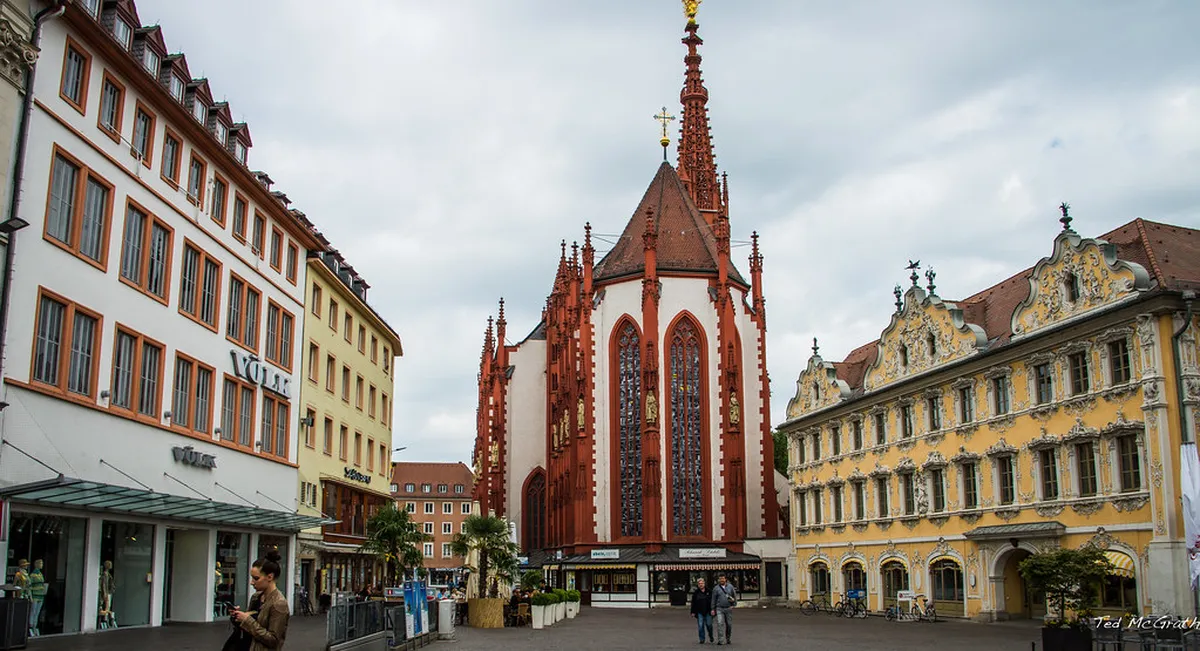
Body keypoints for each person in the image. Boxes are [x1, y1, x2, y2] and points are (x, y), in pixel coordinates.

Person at [232, 550, 289, 651]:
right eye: (252, 578)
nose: (252, 582)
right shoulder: (256, 597)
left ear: (269, 577)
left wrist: (247, 621)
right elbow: (248, 628)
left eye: (256, 578)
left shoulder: (279, 603)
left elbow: (274, 640)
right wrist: (238, 617)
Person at [709, 574, 737, 646]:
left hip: (728, 608)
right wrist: (712, 609)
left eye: (723, 579)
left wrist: (734, 605)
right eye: (720, 579)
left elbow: (734, 596)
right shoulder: (716, 588)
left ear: (725, 579)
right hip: (719, 608)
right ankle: (720, 640)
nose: (721, 580)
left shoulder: (730, 587)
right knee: (720, 623)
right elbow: (713, 599)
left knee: (729, 624)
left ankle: (728, 638)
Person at [690, 578, 714, 644]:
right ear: (698, 585)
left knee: (709, 625)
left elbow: (713, 601)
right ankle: (702, 639)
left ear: (704, 583)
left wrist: (713, 609)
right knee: (700, 626)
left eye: (702, 583)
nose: (701, 585)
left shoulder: (709, 591)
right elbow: (693, 603)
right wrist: (692, 612)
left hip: (708, 611)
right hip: (699, 611)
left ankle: (711, 635)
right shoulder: (696, 593)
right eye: (699, 584)